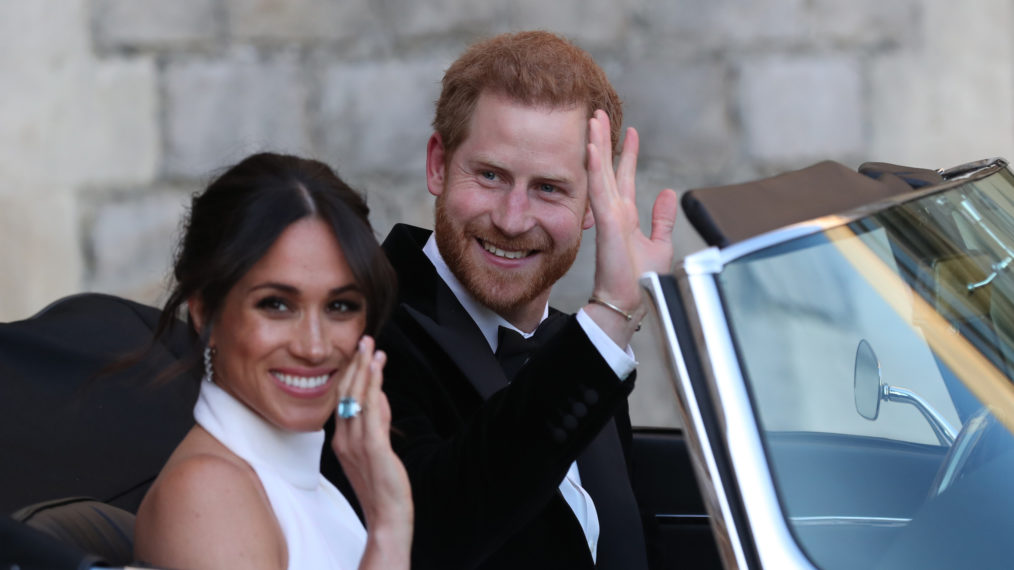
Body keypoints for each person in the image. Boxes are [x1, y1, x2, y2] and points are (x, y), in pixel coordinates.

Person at [338, 30, 678, 569]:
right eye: (491, 175)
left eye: (548, 188)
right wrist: (610, 317)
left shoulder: (579, 346)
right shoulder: (362, 328)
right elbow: (427, 531)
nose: (512, 218)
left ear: (595, 203)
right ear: (438, 166)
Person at [133, 153, 413, 570]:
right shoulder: (208, 494)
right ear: (204, 310)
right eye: (277, 305)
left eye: (340, 305)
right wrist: (389, 529)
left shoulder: (308, 483)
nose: (314, 347)